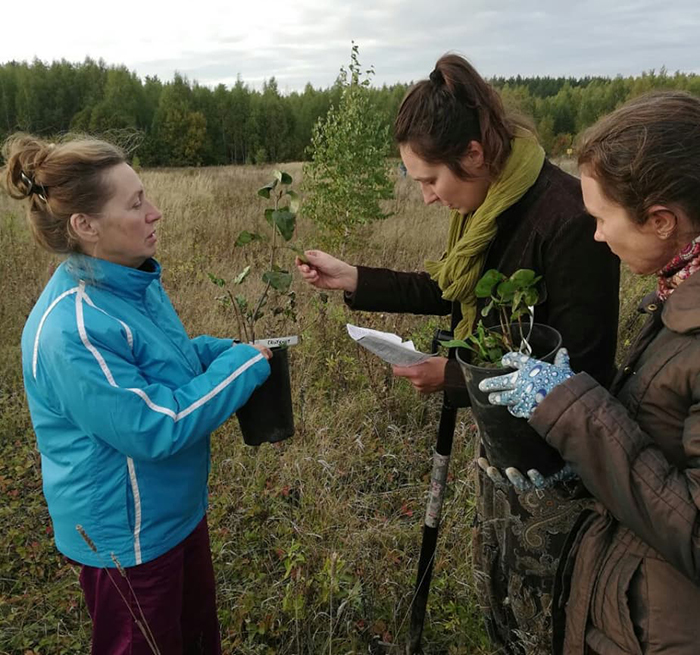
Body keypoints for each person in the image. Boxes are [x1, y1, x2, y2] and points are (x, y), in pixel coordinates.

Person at [296, 54, 619, 653]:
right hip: (500, 447)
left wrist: (456, 375)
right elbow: (450, 291)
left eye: (429, 180)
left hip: (557, 472)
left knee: (548, 620)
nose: (424, 198)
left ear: (473, 154)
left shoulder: (569, 219)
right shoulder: (488, 205)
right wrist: (355, 279)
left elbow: (584, 372)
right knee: (500, 599)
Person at [2, 134, 272, 655]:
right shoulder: (74, 327)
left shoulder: (129, 281)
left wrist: (211, 353)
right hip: (130, 538)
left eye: (145, 196)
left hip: (173, 513)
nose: (155, 213)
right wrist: (241, 369)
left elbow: (149, 369)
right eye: (135, 204)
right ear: (86, 226)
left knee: (194, 641)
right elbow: (154, 425)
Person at [480, 90, 700, 655]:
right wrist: (580, 473)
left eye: (602, 219)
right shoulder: (678, 294)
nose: (596, 235)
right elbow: (664, 446)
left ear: (660, 221)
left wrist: (575, 410)